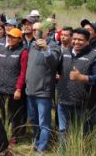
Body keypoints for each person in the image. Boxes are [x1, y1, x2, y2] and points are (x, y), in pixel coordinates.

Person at [57, 28, 96, 145]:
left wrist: (82, 78)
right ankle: (64, 153)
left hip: (82, 103)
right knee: (63, 131)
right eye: (75, 39)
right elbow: (58, 70)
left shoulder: (95, 56)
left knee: (81, 133)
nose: (76, 42)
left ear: (88, 41)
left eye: (80, 40)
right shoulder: (65, 52)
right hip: (63, 100)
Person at [25, 22, 61, 154]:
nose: (35, 32)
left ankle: (42, 148)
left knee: (43, 123)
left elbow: (54, 64)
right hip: (30, 90)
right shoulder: (32, 46)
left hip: (43, 92)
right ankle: (37, 142)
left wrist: (46, 50)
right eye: (33, 30)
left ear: (46, 31)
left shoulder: (53, 46)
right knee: (34, 120)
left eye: (38, 30)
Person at [0, 28, 28, 146]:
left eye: (13, 37)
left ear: (19, 39)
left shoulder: (23, 52)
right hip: (1, 88)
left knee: (14, 115)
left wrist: (18, 89)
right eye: (9, 36)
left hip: (14, 90)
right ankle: (3, 134)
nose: (10, 39)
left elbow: (23, 72)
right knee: (2, 113)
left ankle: (14, 137)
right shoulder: (3, 51)